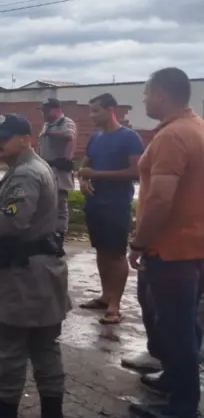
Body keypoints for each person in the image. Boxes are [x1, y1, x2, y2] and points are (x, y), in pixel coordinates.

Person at [0, 113, 72, 418]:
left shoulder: (26, 172)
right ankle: (52, 411)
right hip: (42, 270)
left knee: (11, 348)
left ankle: (5, 410)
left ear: (26, 138)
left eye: (5, 137)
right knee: (45, 347)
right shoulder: (34, 167)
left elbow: (11, 224)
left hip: (23, 277)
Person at [127, 67, 204, 418]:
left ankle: (182, 407)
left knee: (174, 327)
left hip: (172, 249)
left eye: (146, 92)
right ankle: (174, 377)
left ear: (161, 93)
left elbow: (160, 199)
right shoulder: (196, 126)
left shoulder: (173, 136)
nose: (143, 99)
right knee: (185, 323)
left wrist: (139, 244)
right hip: (194, 245)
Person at [77, 93, 144, 325]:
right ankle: (106, 296)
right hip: (95, 204)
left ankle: (115, 305)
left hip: (116, 205)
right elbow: (85, 165)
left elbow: (136, 172)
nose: (92, 115)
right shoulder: (95, 137)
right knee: (101, 251)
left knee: (115, 254)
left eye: (96, 110)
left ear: (110, 109)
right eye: (90, 110)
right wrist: (84, 181)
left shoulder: (129, 137)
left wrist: (97, 175)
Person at [37, 98, 77, 255]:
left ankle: (59, 237)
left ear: (56, 109)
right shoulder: (47, 124)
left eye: (46, 111)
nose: (43, 114)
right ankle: (47, 235)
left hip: (59, 171)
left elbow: (69, 135)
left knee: (60, 206)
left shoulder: (66, 122)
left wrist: (50, 132)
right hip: (46, 169)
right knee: (46, 205)